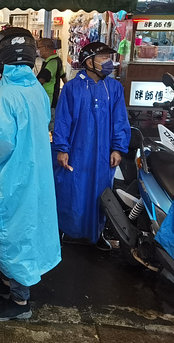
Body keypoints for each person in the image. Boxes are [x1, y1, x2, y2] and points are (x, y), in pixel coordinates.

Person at [0, 27, 61, 321]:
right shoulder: (34, 90)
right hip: (33, 174)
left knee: (12, 233)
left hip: (13, 177)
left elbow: (4, 146)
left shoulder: (6, 94)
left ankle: (19, 303)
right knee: (20, 230)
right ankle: (6, 282)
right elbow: (27, 129)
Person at [52, 41, 131, 250]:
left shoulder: (113, 88)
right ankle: (66, 230)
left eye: (109, 58)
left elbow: (120, 119)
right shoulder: (71, 88)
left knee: (100, 192)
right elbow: (62, 120)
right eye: (103, 58)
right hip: (76, 150)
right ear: (88, 61)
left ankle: (96, 233)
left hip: (103, 153)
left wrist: (117, 148)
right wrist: (62, 148)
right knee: (72, 189)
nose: (108, 62)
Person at [36, 38, 66, 107]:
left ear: (45, 48)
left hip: (48, 100)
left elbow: (41, 80)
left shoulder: (52, 63)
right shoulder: (57, 60)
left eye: (39, 47)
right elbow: (64, 77)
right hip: (49, 99)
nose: (38, 50)